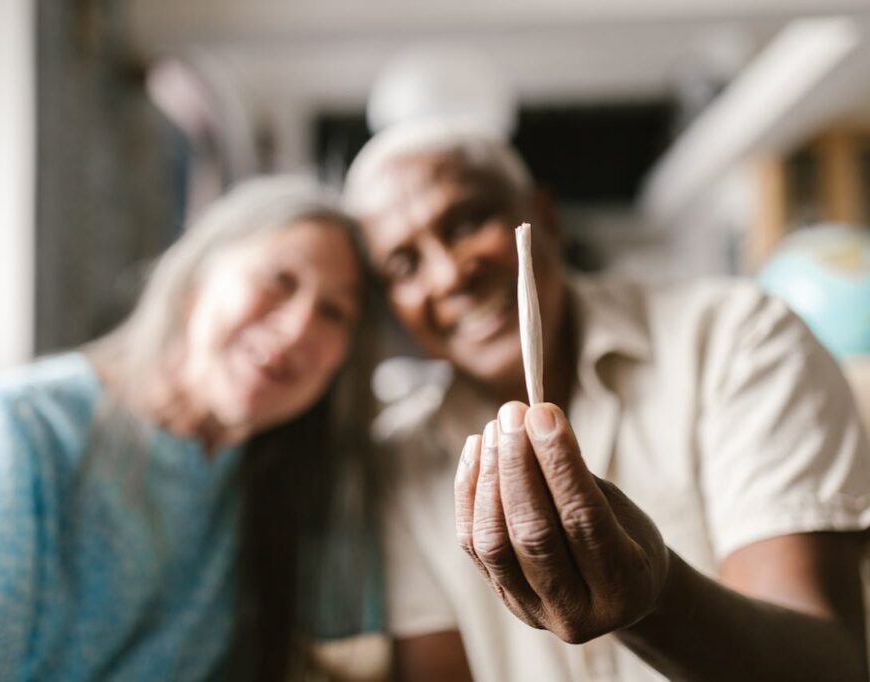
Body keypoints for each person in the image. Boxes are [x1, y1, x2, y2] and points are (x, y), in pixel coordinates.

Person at [343, 119, 870, 681]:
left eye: (469, 221)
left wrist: (656, 599)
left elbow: (830, 667)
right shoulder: (396, 462)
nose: (450, 275)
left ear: (544, 216)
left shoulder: (739, 339)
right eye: (405, 264)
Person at [0, 177, 384, 681]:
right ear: (196, 282)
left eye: (335, 313)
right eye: (279, 280)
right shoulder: (19, 426)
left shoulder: (278, 477)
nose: (296, 330)